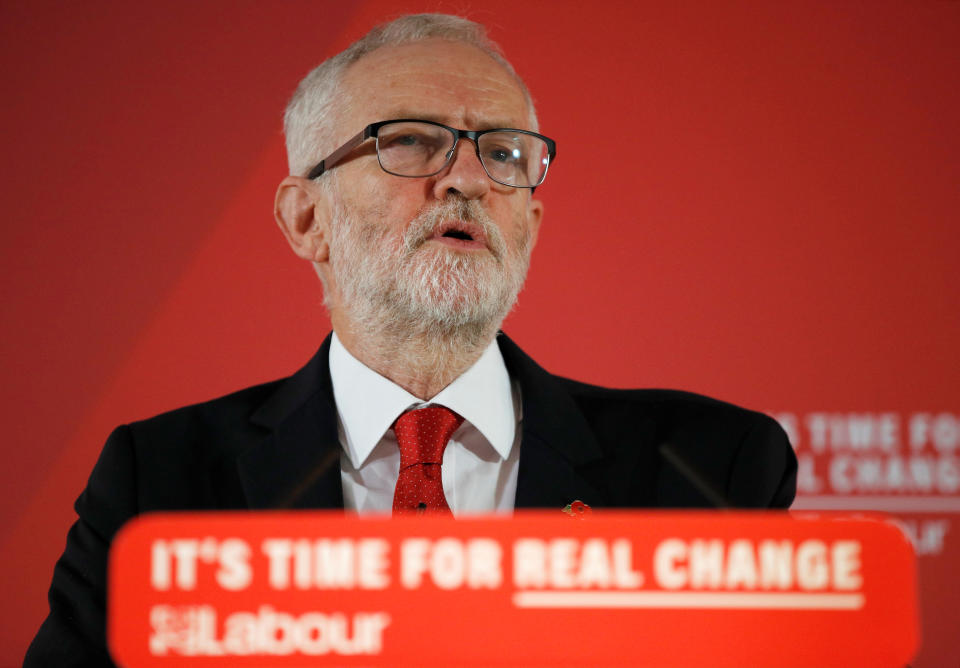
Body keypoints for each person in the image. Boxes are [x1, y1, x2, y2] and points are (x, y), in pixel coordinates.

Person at [25, 13, 796, 666]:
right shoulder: (160, 484)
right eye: (412, 142)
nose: (466, 178)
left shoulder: (711, 470)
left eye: (502, 153)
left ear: (530, 221)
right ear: (306, 218)